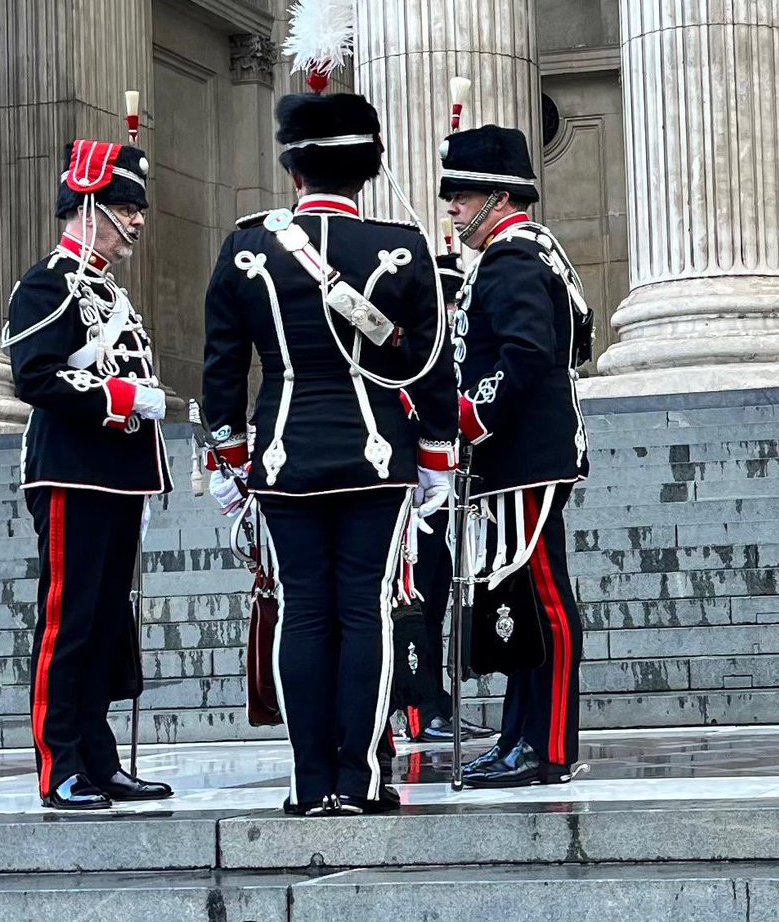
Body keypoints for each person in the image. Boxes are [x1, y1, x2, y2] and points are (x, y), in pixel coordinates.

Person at [202, 90, 459, 816]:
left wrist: (228, 457)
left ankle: (307, 784)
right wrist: (437, 455)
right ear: (367, 169)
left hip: (282, 458)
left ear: (292, 170)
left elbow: (221, 370)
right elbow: (432, 370)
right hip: (378, 458)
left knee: (302, 614)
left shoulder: (246, 246)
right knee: (366, 613)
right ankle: (359, 781)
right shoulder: (401, 246)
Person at [3, 135, 174, 811]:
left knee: (106, 622)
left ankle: (99, 759)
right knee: (68, 621)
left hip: (118, 474)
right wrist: (121, 399)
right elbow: (35, 376)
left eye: (138, 207)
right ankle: (59, 763)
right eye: (125, 205)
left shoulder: (106, 289)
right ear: (90, 203)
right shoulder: (48, 281)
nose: (136, 219)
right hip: (73, 473)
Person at [439, 117, 589, 788]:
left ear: (499, 198)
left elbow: (526, 354)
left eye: (463, 195)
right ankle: (519, 739)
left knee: (547, 601)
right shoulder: (526, 253)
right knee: (523, 602)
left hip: (525, 454)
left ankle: (548, 745)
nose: (452, 206)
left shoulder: (513, 259)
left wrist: (473, 414)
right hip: (524, 454)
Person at [401, 253, 492, 746]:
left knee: (439, 600)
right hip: (418, 490)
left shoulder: (447, 347)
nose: (455, 308)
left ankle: (441, 702)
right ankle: (420, 708)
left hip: (447, 485)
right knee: (419, 602)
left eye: (458, 298)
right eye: (449, 298)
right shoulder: (415, 349)